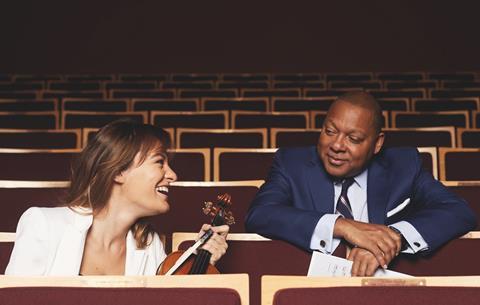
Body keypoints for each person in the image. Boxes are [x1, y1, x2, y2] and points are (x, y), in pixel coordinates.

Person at [245, 91, 476, 276]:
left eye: (353, 139)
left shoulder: (404, 165)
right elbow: (261, 214)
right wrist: (343, 226)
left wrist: (389, 239)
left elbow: (458, 211)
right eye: (330, 131)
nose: (336, 145)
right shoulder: (291, 163)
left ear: (377, 144)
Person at [6, 119, 229, 275]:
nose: (172, 175)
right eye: (160, 162)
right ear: (118, 172)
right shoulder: (43, 225)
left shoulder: (150, 245)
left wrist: (199, 262)